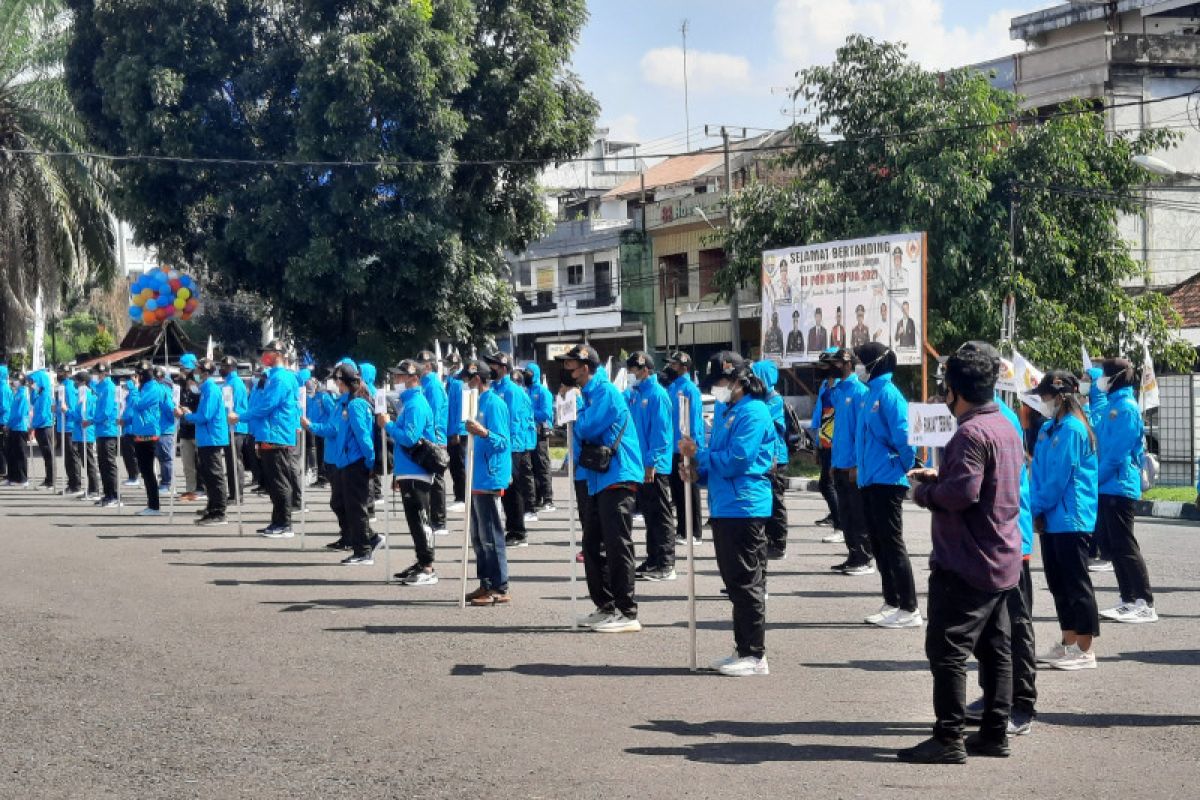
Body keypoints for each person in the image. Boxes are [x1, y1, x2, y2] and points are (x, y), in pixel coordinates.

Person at [901, 342, 1022, 764]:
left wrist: (925, 492)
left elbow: (964, 492)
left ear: (955, 389)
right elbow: (981, 481)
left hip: (967, 561)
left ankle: (948, 738)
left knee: (947, 652)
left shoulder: (969, 432)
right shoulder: (1004, 425)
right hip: (1001, 558)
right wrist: (943, 474)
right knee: (995, 651)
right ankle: (993, 734)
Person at [682, 353, 775, 677]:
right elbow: (719, 462)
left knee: (747, 582)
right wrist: (698, 472)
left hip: (745, 505)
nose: (717, 389)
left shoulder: (754, 411)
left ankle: (755, 653)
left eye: (720, 382)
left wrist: (701, 455)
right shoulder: (726, 411)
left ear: (737, 379)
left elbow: (738, 459)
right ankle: (742, 647)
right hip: (725, 504)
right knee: (735, 582)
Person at [559, 343, 644, 633]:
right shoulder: (587, 395)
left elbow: (586, 428)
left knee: (617, 544)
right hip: (598, 478)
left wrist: (574, 411)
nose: (566, 370)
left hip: (617, 476)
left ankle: (627, 611)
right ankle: (605, 605)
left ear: (585, 368)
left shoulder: (605, 392)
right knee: (592, 544)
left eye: (571, 365)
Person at [1027, 370, 1101, 673]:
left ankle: (1085, 649)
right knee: (1058, 583)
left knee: (1076, 583)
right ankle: (1068, 641)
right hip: (1051, 516)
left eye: (1046, 395)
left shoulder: (1072, 429)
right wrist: (1034, 507)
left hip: (1071, 516)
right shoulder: (1048, 430)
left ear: (1060, 396)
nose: (1042, 400)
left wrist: (1036, 507)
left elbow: (1059, 478)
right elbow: (1038, 473)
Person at [854, 342, 920, 629]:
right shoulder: (870, 394)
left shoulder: (890, 395)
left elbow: (905, 436)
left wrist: (906, 468)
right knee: (879, 544)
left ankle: (909, 607)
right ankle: (891, 601)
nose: (857, 366)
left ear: (875, 363)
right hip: (870, 479)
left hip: (888, 479)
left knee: (892, 544)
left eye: (861, 361)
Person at [1095, 358, 1157, 623]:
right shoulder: (1113, 404)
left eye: (1104, 374)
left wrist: (1094, 479)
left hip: (1119, 484)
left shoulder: (1127, 408)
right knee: (1115, 546)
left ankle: (1145, 602)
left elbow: (1117, 454)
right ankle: (1128, 599)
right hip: (1108, 484)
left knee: (1125, 545)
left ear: (1116, 377)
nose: (1100, 379)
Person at [303, 362, 381, 564]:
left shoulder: (355, 405)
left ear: (343, 381)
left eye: (337, 380)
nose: (335, 384)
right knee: (350, 506)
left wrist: (371, 463)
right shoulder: (346, 402)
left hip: (355, 462)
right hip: (347, 461)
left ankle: (363, 550)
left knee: (357, 508)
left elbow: (364, 437)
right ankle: (364, 543)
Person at [460, 359, 513, 605]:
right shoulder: (473, 403)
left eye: (467, 379)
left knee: (491, 534)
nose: (464, 384)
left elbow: (503, 442)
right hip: (475, 475)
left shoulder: (494, 404)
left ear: (478, 380)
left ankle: (499, 587)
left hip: (489, 476)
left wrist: (484, 432)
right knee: (478, 537)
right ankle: (486, 582)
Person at [386, 359, 439, 585]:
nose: (396, 380)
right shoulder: (410, 403)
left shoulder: (416, 403)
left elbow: (409, 437)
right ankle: (421, 561)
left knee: (420, 519)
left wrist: (387, 425)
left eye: (400, 376)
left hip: (417, 469)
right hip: (409, 469)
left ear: (413, 378)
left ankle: (427, 566)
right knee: (414, 520)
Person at [241, 340, 301, 538]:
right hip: (272, 433)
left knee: (280, 481)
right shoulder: (273, 377)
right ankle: (277, 521)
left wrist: (241, 416)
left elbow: (267, 405)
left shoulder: (281, 378)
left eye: (268, 352)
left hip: (278, 434)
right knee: (274, 482)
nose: (264, 355)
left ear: (278, 353)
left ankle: (284, 524)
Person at [627, 351, 676, 581]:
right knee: (649, 514)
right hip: (640, 464)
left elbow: (661, 433)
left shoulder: (657, 395)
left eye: (635, 371)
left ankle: (666, 563)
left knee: (661, 514)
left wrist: (652, 463)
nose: (632, 375)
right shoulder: (637, 394)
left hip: (655, 467)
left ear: (645, 370)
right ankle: (653, 558)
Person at [825, 348, 873, 575]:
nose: (831, 367)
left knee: (858, 513)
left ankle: (864, 557)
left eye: (835, 363)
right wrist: (834, 462)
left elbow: (861, 432)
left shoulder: (859, 391)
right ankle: (853, 554)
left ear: (847, 364)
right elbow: (839, 431)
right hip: (840, 462)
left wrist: (856, 464)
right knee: (845, 514)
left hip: (853, 465)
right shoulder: (838, 391)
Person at [486, 352, 535, 546]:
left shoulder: (512, 391)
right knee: (506, 488)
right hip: (503, 444)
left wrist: (508, 446)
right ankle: (512, 528)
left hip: (514, 446)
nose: (490, 367)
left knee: (513, 489)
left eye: (494, 365)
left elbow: (513, 421)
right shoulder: (494, 389)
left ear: (504, 368)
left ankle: (518, 531)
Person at [176, 358, 229, 525]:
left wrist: (186, 415)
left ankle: (219, 511)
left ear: (205, 373)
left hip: (212, 437)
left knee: (215, 475)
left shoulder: (211, 390)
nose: (195, 373)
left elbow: (205, 416)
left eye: (198, 370)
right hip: (206, 437)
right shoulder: (205, 389)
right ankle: (212, 507)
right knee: (208, 475)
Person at [751, 360, 790, 561]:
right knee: (768, 500)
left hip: (776, 457)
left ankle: (779, 542)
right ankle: (769, 538)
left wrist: (773, 456)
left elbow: (774, 431)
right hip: (766, 456)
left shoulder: (774, 399)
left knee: (776, 500)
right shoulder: (761, 398)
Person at [664, 351, 704, 545]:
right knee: (678, 491)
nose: (670, 368)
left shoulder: (690, 389)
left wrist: (691, 445)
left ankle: (694, 532)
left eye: (674, 365)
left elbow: (695, 420)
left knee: (690, 489)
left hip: (686, 446)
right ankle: (682, 529)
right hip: (672, 446)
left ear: (684, 367)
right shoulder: (672, 387)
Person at [415, 351, 450, 537]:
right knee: (430, 478)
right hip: (428, 436)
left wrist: (435, 439)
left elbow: (435, 414)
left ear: (428, 365)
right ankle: (432, 518)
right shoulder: (425, 383)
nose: (419, 366)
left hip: (434, 436)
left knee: (436, 480)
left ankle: (440, 521)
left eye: (422, 363)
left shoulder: (433, 385)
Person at [127, 362, 167, 515]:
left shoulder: (153, 388)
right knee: (145, 470)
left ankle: (154, 506)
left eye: (138, 375)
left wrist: (133, 388)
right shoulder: (144, 388)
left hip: (149, 433)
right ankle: (151, 504)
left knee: (148, 471)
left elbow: (138, 405)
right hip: (141, 432)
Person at [811, 354, 841, 535]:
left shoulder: (842, 389)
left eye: (824, 366)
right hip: (825, 441)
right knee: (828, 484)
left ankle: (841, 525)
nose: (820, 369)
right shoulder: (825, 386)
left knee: (827, 484)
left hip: (836, 444)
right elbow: (822, 416)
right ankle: (837, 518)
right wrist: (817, 442)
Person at [524, 361, 556, 513]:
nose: (526, 377)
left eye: (529, 374)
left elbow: (546, 414)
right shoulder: (525, 391)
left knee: (542, 465)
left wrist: (529, 413)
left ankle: (548, 499)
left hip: (540, 432)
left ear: (535, 374)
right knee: (532, 465)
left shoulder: (543, 392)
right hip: (529, 432)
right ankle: (537, 497)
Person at [91, 364, 122, 507]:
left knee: (109, 464)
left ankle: (114, 495)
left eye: (96, 373)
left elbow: (107, 411)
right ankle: (107, 494)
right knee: (102, 464)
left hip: (108, 430)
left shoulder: (109, 388)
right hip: (101, 430)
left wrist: (93, 420)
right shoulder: (101, 388)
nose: (95, 376)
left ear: (103, 374)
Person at [220, 357, 250, 502]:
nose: (221, 368)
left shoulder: (235, 383)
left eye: (223, 366)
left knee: (235, 461)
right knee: (231, 461)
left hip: (236, 426)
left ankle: (237, 494)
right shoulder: (229, 382)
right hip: (230, 425)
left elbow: (233, 406)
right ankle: (234, 493)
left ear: (231, 367)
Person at [68, 372, 100, 499]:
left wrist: (69, 412)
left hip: (87, 432)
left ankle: (94, 489)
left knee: (89, 461)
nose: (74, 383)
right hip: (80, 432)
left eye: (76, 381)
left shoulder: (89, 395)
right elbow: (77, 413)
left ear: (82, 382)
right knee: (85, 462)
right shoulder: (81, 395)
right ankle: (91, 488)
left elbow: (85, 414)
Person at [176, 354, 203, 502]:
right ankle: (190, 490)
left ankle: (201, 488)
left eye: (184, 368)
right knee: (187, 463)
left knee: (200, 462)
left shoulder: (200, 386)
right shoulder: (180, 385)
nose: (182, 371)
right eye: (181, 367)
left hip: (198, 429)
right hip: (185, 429)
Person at [444, 351, 467, 511]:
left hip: (457, 431)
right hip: (450, 429)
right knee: (454, 464)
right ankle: (459, 495)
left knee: (459, 465)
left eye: (448, 364)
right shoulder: (450, 381)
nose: (446, 367)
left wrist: (457, 431)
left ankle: (462, 497)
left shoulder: (458, 383)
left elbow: (460, 409)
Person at [4, 369, 31, 487]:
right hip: (14, 427)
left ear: (21, 381)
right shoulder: (16, 394)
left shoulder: (23, 394)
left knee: (20, 454)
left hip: (20, 427)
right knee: (12, 453)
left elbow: (20, 414)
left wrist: (9, 423)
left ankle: (23, 478)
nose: (13, 382)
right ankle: (13, 477)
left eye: (15, 380)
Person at [29, 369, 55, 489]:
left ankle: (51, 480)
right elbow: (33, 403)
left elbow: (44, 414)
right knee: (46, 454)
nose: (31, 384)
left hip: (45, 426)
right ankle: (48, 479)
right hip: (39, 426)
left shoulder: (45, 395)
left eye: (33, 381)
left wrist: (33, 426)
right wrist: (34, 391)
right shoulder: (39, 395)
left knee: (49, 454)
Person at [154, 366, 177, 494]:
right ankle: (165, 483)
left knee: (165, 458)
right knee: (164, 458)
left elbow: (169, 408)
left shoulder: (163, 389)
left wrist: (172, 418)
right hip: (163, 427)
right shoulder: (164, 388)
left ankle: (166, 484)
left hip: (164, 428)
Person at [0, 363, 9, 480]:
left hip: (3, 421)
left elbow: (5, 407)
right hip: (4, 420)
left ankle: (2, 471)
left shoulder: (3, 388)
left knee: (1, 447)